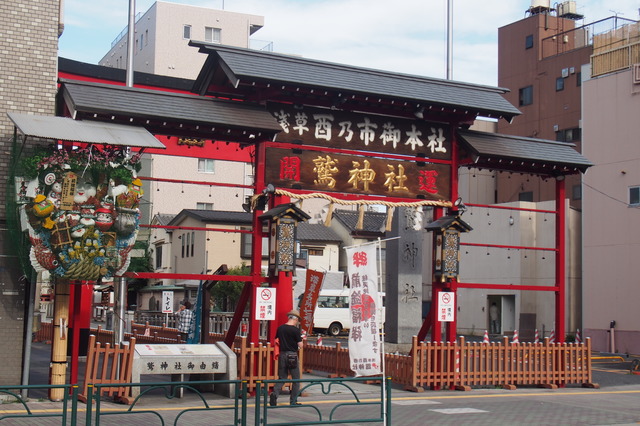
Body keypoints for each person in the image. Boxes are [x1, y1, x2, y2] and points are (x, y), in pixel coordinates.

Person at [270, 309, 303, 406]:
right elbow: (300, 345)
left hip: (282, 354)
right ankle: (293, 401)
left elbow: (276, 340)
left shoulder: (280, 328)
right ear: (295, 319)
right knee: (296, 379)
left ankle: (274, 395)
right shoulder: (295, 330)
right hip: (292, 355)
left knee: (282, 377)